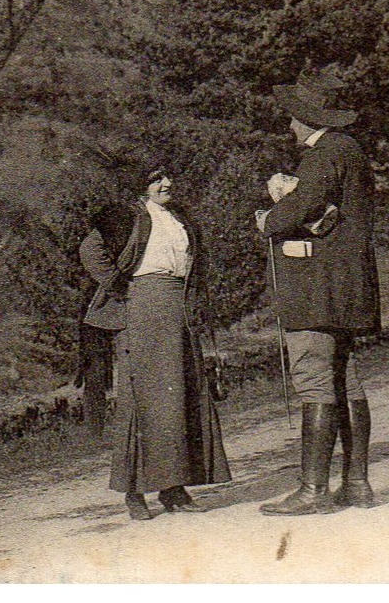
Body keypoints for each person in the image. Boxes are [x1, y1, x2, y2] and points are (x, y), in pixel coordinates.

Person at [256, 69, 379, 516]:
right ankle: (358, 484)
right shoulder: (352, 151)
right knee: (347, 379)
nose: (290, 127)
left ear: (308, 119)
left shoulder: (323, 154)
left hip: (316, 290)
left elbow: (302, 207)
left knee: (313, 380)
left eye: (293, 118)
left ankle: (312, 491)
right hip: (348, 288)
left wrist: (268, 219)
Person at [80, 168, 231, 519]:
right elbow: (90, 250)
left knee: (177, 397)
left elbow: (195, 263)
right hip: (142, 307)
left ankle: (173, 489)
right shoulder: (126, 216)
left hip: (177, 308)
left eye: (168, 178)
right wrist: (120, 286)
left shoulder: (179, 218)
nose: (167, 184)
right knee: (141, 400)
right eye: (156, 179)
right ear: (140, 184)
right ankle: (133, 492)